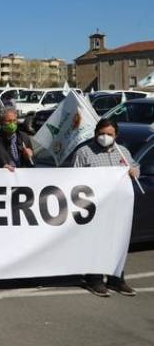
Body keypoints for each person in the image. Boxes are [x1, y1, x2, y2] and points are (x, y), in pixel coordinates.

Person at [72, 118, 140, 297]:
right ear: (95, 133)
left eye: (109, 134)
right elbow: (74, 178)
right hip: (94, 207)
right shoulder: (84, 152)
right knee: (96, 242)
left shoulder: (123, 152)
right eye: (101, 133)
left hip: (117, 207)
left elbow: (134, 166)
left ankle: (116, 279)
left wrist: (134, 171)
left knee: (117, 242)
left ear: (116, 135)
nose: (105, 137)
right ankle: (94, 280)